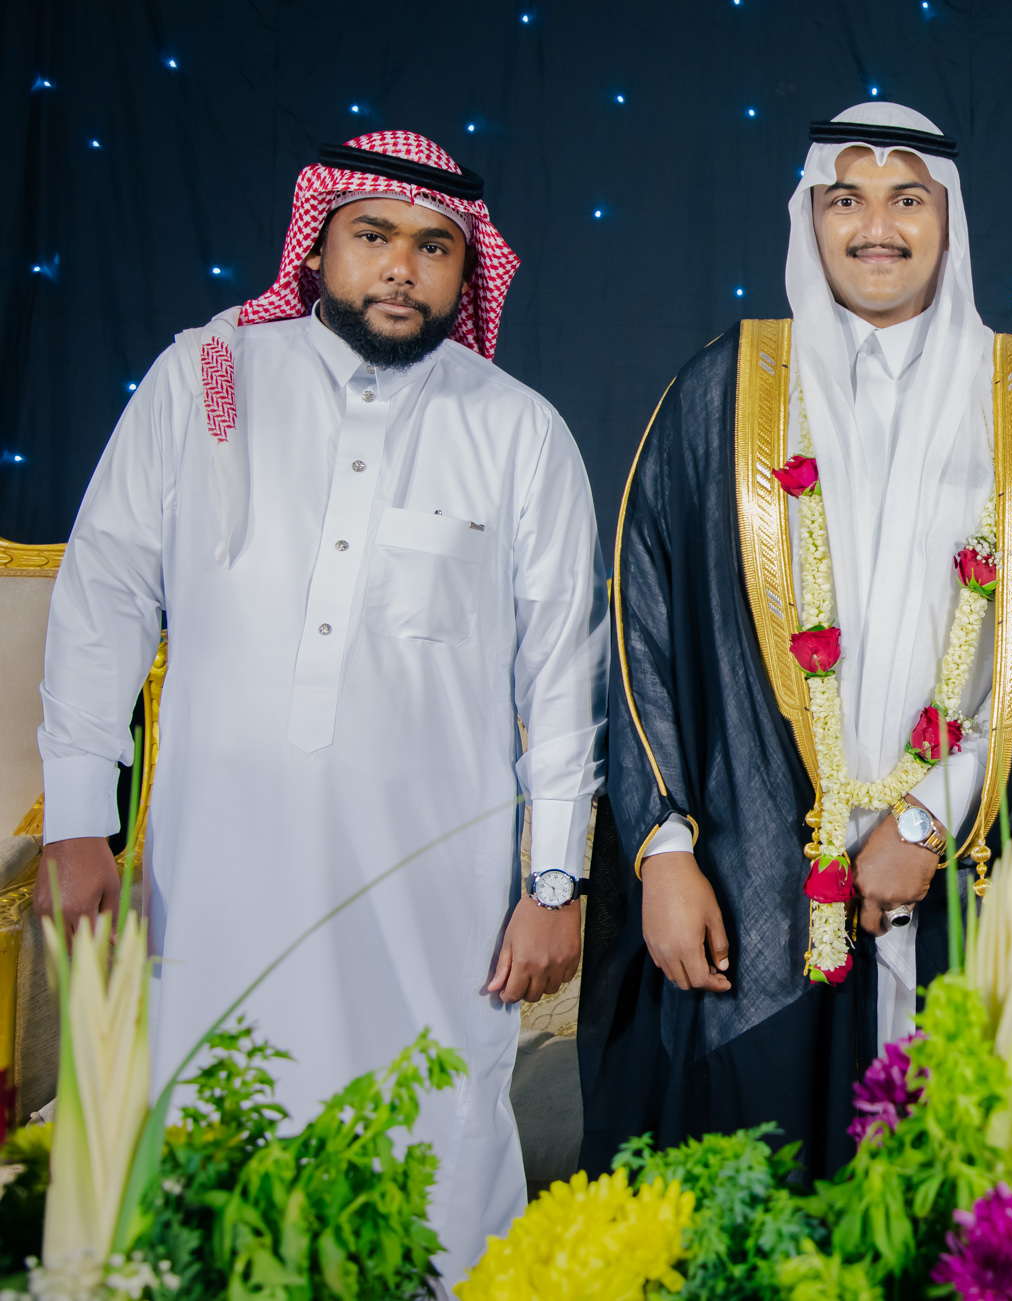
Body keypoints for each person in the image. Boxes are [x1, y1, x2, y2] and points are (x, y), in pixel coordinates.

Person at [35, 130, 607, 1273]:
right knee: (213, 1113)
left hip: (432, 890)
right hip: (217, 874)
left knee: (435, 1130)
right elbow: (104, 598)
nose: (401, 267)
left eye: (434, 247)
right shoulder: (206, 382)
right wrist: (75, 817)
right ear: (317, 246)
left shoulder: (518, 431)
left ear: (466, 270)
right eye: (373, 236)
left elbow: (562, 677)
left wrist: (555, 884)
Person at [578, 102, 1012, 1178]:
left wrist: (925, 818)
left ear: (947, 218)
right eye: (847, 199)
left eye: (906, 199)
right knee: (761, 1185)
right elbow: (642, 631)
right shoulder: (723, 388)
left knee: (949, 1184)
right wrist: (663, 851)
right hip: (753, 874)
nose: (876, 227)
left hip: (961, 862)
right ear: (811, 218)